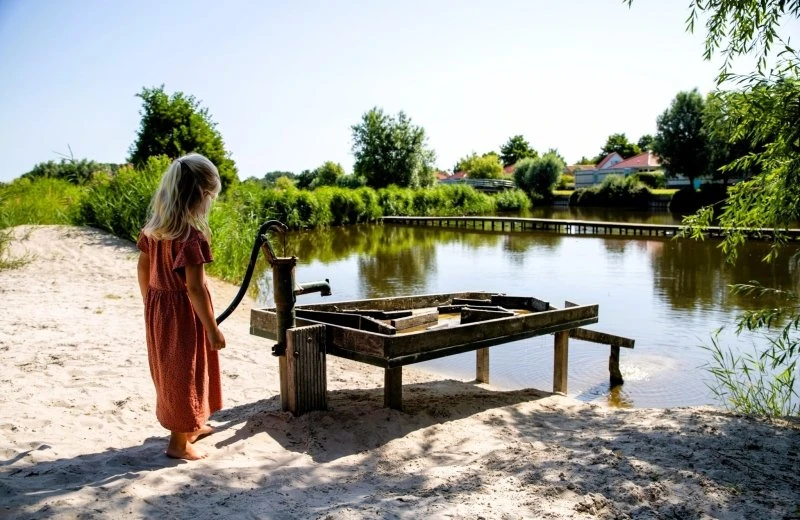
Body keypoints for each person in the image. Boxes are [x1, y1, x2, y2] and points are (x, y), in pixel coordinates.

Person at [136, 153, 226, 460]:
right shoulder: (191, 238)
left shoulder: (154, 230)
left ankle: (192, 425)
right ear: (201, 195)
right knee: (184, 372)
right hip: (185, 313)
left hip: (159, 308)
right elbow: (195, 288)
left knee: (173, 370)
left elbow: (142, 268)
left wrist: (149, 301)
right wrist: (212, 329)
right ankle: (178, 443)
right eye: (210, 197)